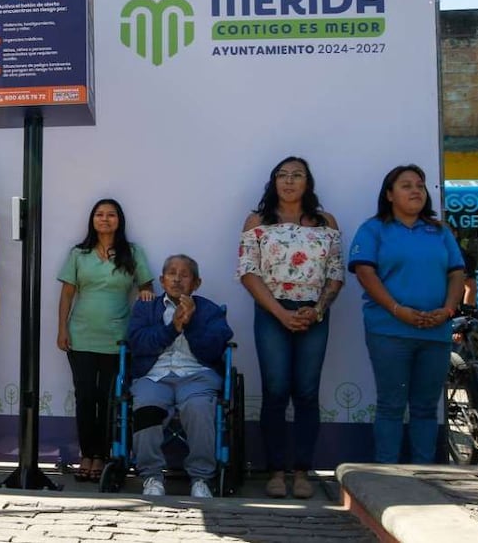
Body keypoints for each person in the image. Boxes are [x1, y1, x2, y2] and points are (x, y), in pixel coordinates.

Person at [236, 156, 344, 499]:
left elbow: (336, 273)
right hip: (272, 312)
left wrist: (318, 309)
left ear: (307, 183)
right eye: (282, 175)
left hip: (314, 314)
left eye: (297, 175)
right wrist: (281, 313)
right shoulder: (257, 221)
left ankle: (301, 472)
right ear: (273, 182)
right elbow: (248, 272)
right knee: (276, 391)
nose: (289, 181)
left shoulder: (325, 222)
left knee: (307, 393)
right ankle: (276, 471)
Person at [348, 164, 465, 464]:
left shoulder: (440, 231)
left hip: (436, 332)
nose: (416, 190)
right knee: (391, 405)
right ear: (389, 194)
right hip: (389, 331)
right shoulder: (373, 229)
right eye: (406, 185)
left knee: (427, 407)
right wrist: (398, 310)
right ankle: (388, 477)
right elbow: (364, 272)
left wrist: (448, 309)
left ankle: (426, 475)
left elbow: (456, 273)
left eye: (420, 185)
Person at [57, 199, 154, 482]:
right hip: (81, 336)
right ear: (92, 220)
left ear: (119, 220)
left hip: (117, 340)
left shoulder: (132, 252)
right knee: (85, 397)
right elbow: (66, 295)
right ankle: (87, 454)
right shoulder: (79, 253)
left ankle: (104, 456)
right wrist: (61, 329)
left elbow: (146, 287)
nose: (105, 219)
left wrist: (146, 296)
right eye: (99, 215)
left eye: (111, 215)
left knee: (110, 399)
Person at [127, 254, 233, 498]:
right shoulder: (145, 307)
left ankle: (201, 478)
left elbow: (215, 349)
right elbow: (138, 343)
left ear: (196, 283)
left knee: (199, 408)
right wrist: (172, 328)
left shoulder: (210, 310)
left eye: (184, 275)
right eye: (172, 274)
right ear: (162, 281)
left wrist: (191, 322)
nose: (177, 279)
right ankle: (151, 477)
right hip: (154, 376)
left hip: (196, 376)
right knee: (147, 407)